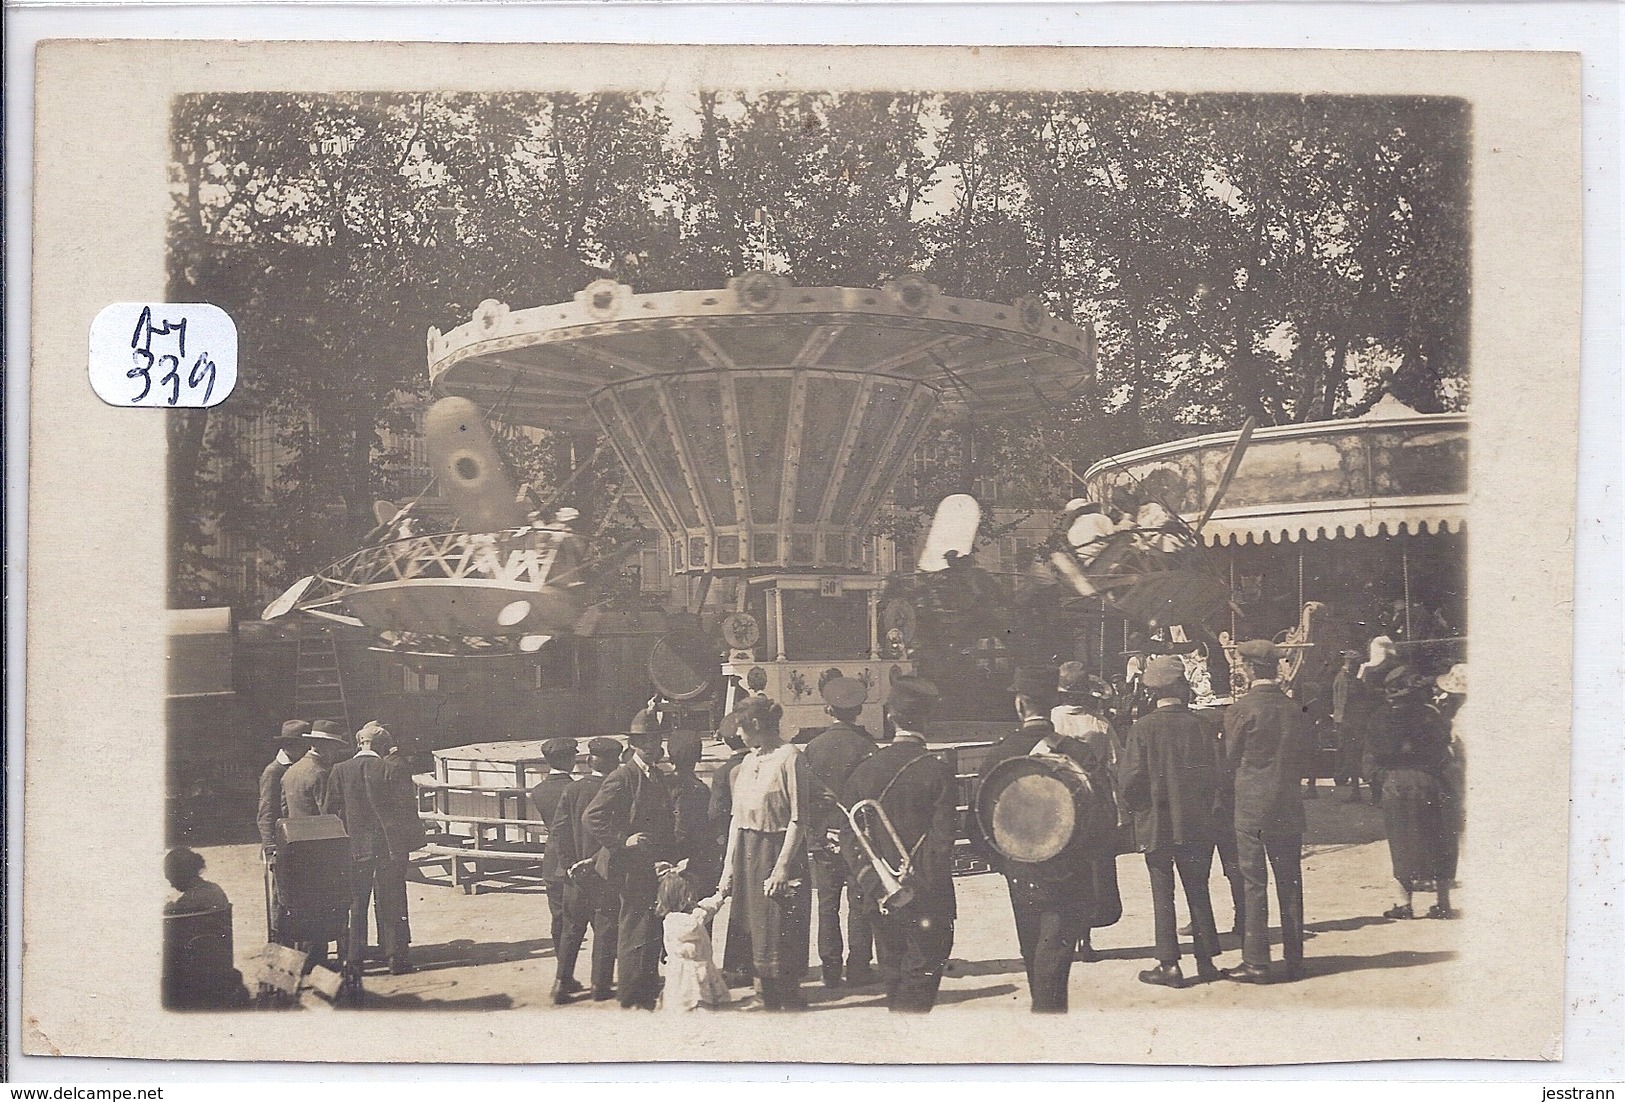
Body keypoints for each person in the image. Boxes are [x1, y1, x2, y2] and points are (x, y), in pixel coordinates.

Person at [978, 667, 1114, 1013]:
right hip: (1070, 867)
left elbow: (979, 821)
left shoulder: (999, 754)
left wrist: (1002, 859)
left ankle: (1044, 1007)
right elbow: (1104, 815)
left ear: (1020, 705)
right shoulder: (1077, 752)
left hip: (1020, 866)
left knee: (1031, 943)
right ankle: (1049, 1011)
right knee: (1057, 950)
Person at [839, 676, 957, 1012]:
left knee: (892, 973)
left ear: (890, 716)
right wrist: (916, 884)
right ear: (928, 720)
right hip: (927, 897)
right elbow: (943, 841)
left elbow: (850, 836)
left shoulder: (865, 770)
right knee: (922, 976)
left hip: (880, 899)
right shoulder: (938, 771)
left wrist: (877, 885)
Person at [1118, 656, 1224, 988]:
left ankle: (1169, 964)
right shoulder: (1201, 726)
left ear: (1151, 691)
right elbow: (1216, 776)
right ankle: (1206, 961)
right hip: (1196, 824)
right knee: (1199, 889)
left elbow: (1129, 781)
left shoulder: (1142, 729)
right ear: (1182, 688)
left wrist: (1141, 810)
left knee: (1163, 894)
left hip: (1157, 826)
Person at [1223, 640, 1314, 984]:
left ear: (1247, 669)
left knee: (1254, 883)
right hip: (1288, 805)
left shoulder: (1240, 710)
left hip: (1251, 808)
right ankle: (1295, 960)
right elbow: (1307, 757)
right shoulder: (1295, 709)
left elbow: (1229, 760)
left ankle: (1257, 962)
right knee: (1289, 881)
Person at [716, 695, 814, 1011]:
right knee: (756, 927)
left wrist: (783, 867)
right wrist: (728, 868)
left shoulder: (791, 758)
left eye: (742, 729)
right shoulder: (747, 762)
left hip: (778, 852)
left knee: (779, 926)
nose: (738, 736)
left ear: (756, 725)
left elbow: (799, 818)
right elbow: (736, 820)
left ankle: (787, 996)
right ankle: (764, 993)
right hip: (748, 853)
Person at [584, 710, 676, 1010]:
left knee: (650, 927)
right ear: (635, 745)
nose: (653, 747)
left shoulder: (656, 774)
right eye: (645, 742)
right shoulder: (622, 776)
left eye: (656, 740)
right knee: (633, 928)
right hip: (627, 865)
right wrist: (623, 840)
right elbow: (593, 817)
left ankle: (646, 986)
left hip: (650, 864)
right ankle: (629, 993)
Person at [325, 721, 423, 976]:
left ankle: (354, 959)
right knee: (392, 900)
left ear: (359, 743)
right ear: (380, 745)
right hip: (388, 849)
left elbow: (329, 814)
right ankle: (395, 957)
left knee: (356, 902)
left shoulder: (340, 770)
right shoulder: (389, 769)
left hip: (353, 849)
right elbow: (405, 811)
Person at [803, 676, 879, 988]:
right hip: (858, 838)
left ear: (827, 709)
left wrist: (816, 833)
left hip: (824, 838)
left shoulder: (812, 748)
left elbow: (806, 796)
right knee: (860, 904)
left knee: (827, 905)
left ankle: (830, 969)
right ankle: (859, 967)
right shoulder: (868, 748)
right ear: (859, 710)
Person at [1051, 662, 1126, 962]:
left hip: (1061, 801)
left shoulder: (1053, 720)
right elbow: (1116, 764)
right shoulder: (1100, 725)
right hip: (1094, 803)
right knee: (1093, 869)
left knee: (1066, 868)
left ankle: (1070, 936)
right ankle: (1087, 939)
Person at [1370, 667, 1460, 920]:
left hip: (1396, 782)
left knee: (1401, 839)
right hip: (1432, 779)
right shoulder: (1432, 715)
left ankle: (1404, 904)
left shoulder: (1380, 717)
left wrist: (1379, 781)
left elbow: (1373, 755)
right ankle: (1443, 902)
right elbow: (1443, 748)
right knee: (1440, 839)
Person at [547, 736, 623, 1004]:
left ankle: (561, 984)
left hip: (575, 876)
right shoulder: (617, 790)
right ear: (616, 762)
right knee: (605, 928)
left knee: (571, 930)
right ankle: (600, 986)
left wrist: (570, 866)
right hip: (606, 872)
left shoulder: (573, 790)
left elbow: (559, 831)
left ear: (590, 760)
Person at [708, 714, 755, 987]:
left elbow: (716, 813)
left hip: (732, 843)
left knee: (740, 906)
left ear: (726, 741)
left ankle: (737, 966)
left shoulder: (723, 771)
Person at [530, 736, 580, 976]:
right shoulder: (576, 789)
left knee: (559, 917)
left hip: (552, 860)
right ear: (571, 760)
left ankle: (563, 972)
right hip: (579, 856)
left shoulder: (538, 791)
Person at [258, 719, 310, 946]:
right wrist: (270, 849)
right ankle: (282, 952)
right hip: (282, 847)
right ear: (290, 745)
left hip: (300, 845)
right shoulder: (274, 771)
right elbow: (266, 815)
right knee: (282, 901)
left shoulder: (301, 767)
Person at [656, 864, 730, 1011]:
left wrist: (720, 896)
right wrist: (698, 911)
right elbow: (695, 924)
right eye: (687, 896)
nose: (691, 898)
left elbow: (708, 909)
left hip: (700, 968)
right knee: (690, 1002)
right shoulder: (673, 919)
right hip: (686, 973)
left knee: (704, 1000)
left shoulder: (691, 913)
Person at [668, 730, 722, 898]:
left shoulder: (660, 783)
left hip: (668, 859)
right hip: (692, 863)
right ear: (698, 757)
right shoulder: (698, 789)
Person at [1332, 650, 1378, 801]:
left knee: (1357, 758)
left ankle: (1360, 792)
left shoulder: (1349, 679)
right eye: (1356, 664)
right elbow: (1343, 702)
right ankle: (1359, 792)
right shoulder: (1346, 680)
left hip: (1352, 724)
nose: (1358, 667)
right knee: (1355, 758)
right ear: (1350, 663)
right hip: (1351, 724)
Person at [281, 720, 349, 818]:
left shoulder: (290, 772)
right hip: (318, 832)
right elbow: (329, 814)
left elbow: (285, 809)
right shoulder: (320, 773)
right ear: (321, 745)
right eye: (335, 747)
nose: (336, 753)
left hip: (295, 831)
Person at [164, 847, 231, 917]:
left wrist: (169, 908)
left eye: (171, 879)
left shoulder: (188, 901)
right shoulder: (216, 889)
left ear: (181, 874)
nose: (171, 885)